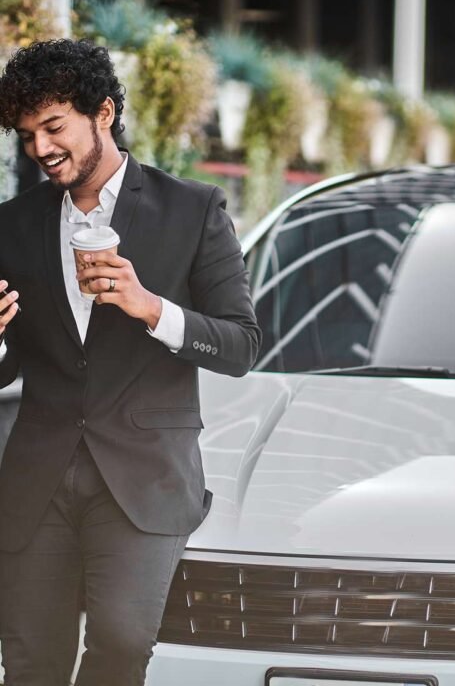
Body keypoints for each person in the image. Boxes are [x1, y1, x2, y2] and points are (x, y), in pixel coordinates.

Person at [0, 38, 261, 685]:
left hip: (144, 479)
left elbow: (241, 345)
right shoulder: (10, 224)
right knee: (30, 661)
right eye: (27, 134)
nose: (41, 148)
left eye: (54, 126)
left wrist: (151, 308)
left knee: (120, 643)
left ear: (105, 113)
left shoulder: (194, 210)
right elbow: (8, 368)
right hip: (36, 479)